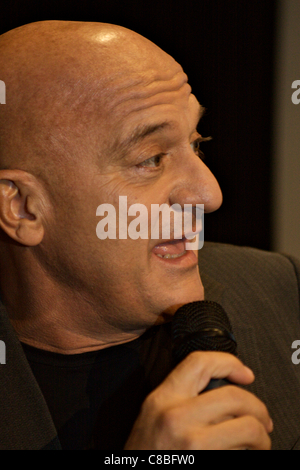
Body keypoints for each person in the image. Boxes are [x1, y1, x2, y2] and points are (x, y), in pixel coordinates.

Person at [0, 20, 299, 451]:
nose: (209, 195)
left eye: (197, 143)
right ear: (23, 208)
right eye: (151, 159)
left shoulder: (283, 292)